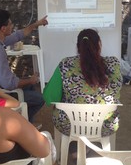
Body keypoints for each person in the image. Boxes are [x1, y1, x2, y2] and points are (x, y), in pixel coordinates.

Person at [43, 28, 122, 158]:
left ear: (78, 47)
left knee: (62, 107)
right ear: (99, 45)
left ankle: (76, 150)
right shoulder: (114, 64)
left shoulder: (65, 64)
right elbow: (116, 94)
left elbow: (49, 97)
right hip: (105, 123)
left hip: (69, 124)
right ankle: (83, 149)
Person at [0, 9, 48, 123]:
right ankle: (23, 124)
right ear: (3, 28)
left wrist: (36, 24)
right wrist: (31, 80)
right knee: (40, 99)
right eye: (10, 24)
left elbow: (17, 35)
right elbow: (8, 83)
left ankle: (26, 118)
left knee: (29, 88)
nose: (12, 26)